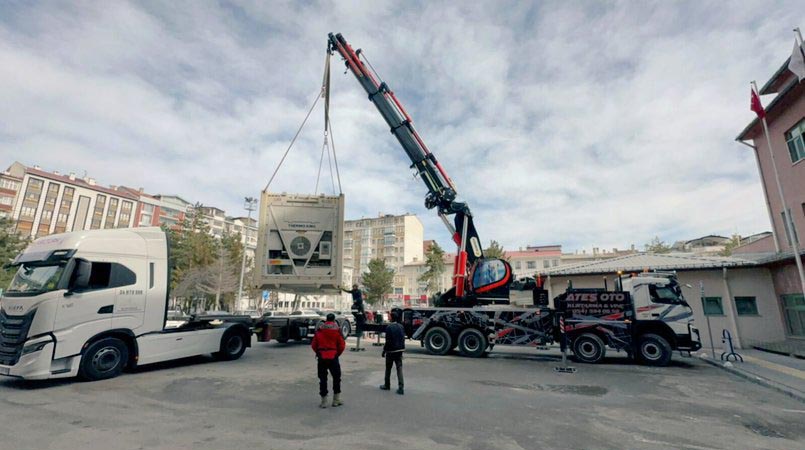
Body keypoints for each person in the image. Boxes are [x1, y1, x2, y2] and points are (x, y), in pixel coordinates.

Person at [311, 313, 346, 408]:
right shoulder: (337, 331)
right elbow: (342, 345)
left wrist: (319, 352)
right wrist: (336, 353)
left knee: (322, 379)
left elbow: (314, 345)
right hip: (333, 356)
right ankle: (336, 400)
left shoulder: (319, 330)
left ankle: (324, 402)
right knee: (336, 378)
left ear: (326, 320)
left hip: (322, 357)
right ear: (334, 320)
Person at [380, 308, 405, 395]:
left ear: (392, 318)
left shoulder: (389, 327)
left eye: (390, 316)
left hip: (391, 351)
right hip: (399, 350)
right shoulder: (401, 327)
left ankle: (387, 385)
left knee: (388, 368)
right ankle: (401, 387)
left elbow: (388, 341)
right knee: (399, 368)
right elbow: (403, 339)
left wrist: (384, 351)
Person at [341, 284, 366, 351]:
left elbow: (360, 297)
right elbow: (348, 291)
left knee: (362, 310)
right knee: (353, 309)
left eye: (354, 287)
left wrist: (357, 300)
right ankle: (356, 316)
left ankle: (364, 317)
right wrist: (342, 289)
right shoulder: (353, 291)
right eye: (353, 287)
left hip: (359, 302)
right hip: (355, 303)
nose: (353, 288)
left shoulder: (358, 291)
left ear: (356, 287)